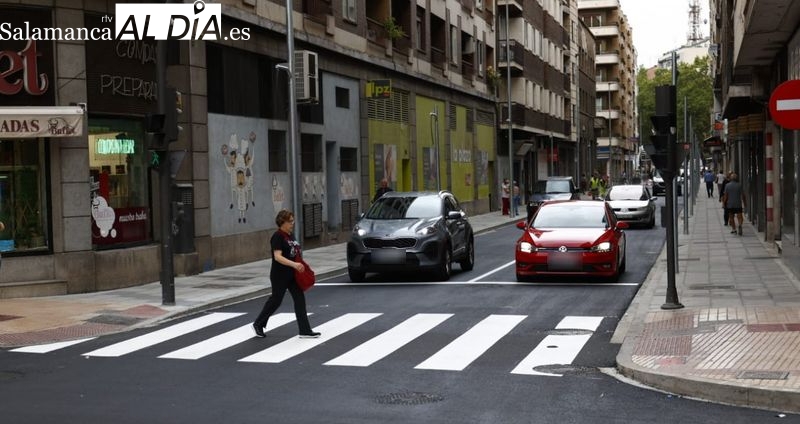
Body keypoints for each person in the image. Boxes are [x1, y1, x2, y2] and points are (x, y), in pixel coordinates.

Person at [253, 209, 320, 338]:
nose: (292, 223)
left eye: (293, 220)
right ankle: (258, 323)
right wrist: (294, 264)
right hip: (280, 275)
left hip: (292, 275)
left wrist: (300, 265)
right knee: (276, 300)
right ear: (282, 222)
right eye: (290, 221)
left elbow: (295, 253)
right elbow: (277, 256)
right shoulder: (278, 236)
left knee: (299, 300)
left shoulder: (290, 236)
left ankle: (304, 330)